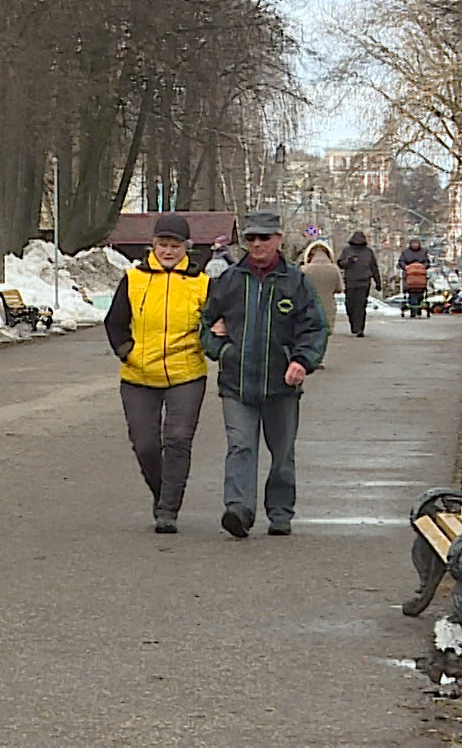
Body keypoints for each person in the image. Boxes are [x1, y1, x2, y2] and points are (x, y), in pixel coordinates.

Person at [201, 209, 326, 538]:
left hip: (281, 385)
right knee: (240, 446)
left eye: (264, 238)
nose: (257, 244)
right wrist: (221, 350)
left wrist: (301, 361)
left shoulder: (296, 282)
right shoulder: (229, 281)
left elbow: (315, 327)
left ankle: (280, 512)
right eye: (251, 238)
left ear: (278, 240)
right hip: (236, 383)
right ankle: (239, 509)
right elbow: (206, 322)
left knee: (282, 454)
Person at [103, 213, 211, 534]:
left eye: (175, 246)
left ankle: (168, 509)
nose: (168, 251)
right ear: (153, 245)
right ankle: (162, 493)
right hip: (138, 376)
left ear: (186, 248)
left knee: (177, 440)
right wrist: (127, 352)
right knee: (145, 445)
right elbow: (115, 322)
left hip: (186, 375)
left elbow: (215, 324)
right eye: (163, 244)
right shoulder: (133, 279)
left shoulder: (202, 283)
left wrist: (214, 340)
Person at [299, 240, 342, 365]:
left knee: (309, 331)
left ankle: (309, 356)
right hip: (328, 305)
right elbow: (339, 289)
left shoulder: (305, 270)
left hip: (308, 304)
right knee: (324, 331)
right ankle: (320, 358)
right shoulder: (334, 270)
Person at [336, 231, 381, 337]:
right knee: (350, 305)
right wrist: (349, 261)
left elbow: (374, 267)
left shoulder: (368, 252)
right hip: (350, 282)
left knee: (360, 306)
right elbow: (341, 264)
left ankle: (359, 328)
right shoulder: (347, 250)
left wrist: (378, 282)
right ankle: (354, 325)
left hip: (364, 282)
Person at [398, 239, 432, 318]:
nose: (415, 245)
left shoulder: (423, 252)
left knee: (420, 292)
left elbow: (427, 262)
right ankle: (413, 309)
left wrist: (423, 267)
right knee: (411, 292)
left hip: (420, 276)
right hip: (409, 276)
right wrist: (405, 267)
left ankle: (419, 308)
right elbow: (401, 261)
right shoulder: (405, 252)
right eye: (414, 243)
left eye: (416, 243)